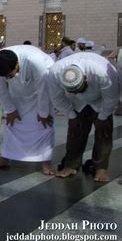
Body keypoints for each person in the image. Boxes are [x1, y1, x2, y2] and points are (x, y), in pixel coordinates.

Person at [48, 53, 118, 182]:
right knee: (75, 131)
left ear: (85, 78)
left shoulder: (103, 73)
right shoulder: (54, 73)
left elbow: (111, 98)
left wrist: (103, 117)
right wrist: (71, 115)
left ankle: (100, 168)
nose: (77, 92)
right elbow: (57, 99)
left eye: (79, 89)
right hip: (76, 103)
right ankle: (71, 165)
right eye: (73, 90)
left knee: (104, 132)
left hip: (100, 100)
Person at [0, 45, 55, 175]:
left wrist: (43, 112)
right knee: (12, 123)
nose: (7, 78)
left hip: (40, 92)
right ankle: (6, 157)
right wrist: (9, 109)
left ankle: (45, 161)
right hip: (16, 92)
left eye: (9, 74)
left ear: (16, 65)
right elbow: (0, 89)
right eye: (6, 76)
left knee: (44, 124)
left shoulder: (36, 62)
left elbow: (43, 89)